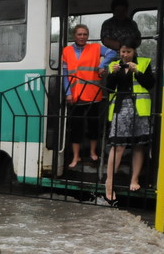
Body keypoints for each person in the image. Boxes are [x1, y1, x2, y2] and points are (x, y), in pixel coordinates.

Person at [104, 38, 155, 203]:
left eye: (128, 52)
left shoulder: (144, 63)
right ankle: (109, 183)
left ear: (134, 52)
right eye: (123, 52)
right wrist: (113, 73)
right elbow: (110, 87)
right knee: (117, 146)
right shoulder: (114, 65)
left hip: (140, 109)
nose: (125, 55)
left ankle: (135, 179)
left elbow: (150, 84)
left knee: (139, 145)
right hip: (121, 107)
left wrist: (137, 71)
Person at [62, 24, 116, 168]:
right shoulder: (66, 51)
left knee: (93, 125)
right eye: (79, 34)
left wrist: (102, 64)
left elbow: (112, 53)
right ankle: (76, 157)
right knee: (76, 127)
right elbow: (65, 75)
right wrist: (67, 93)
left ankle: (93, 152)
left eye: (85, 34)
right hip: (75, 96)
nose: (82, 37)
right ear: (74, 36)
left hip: (93, 94)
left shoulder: (96, 48)